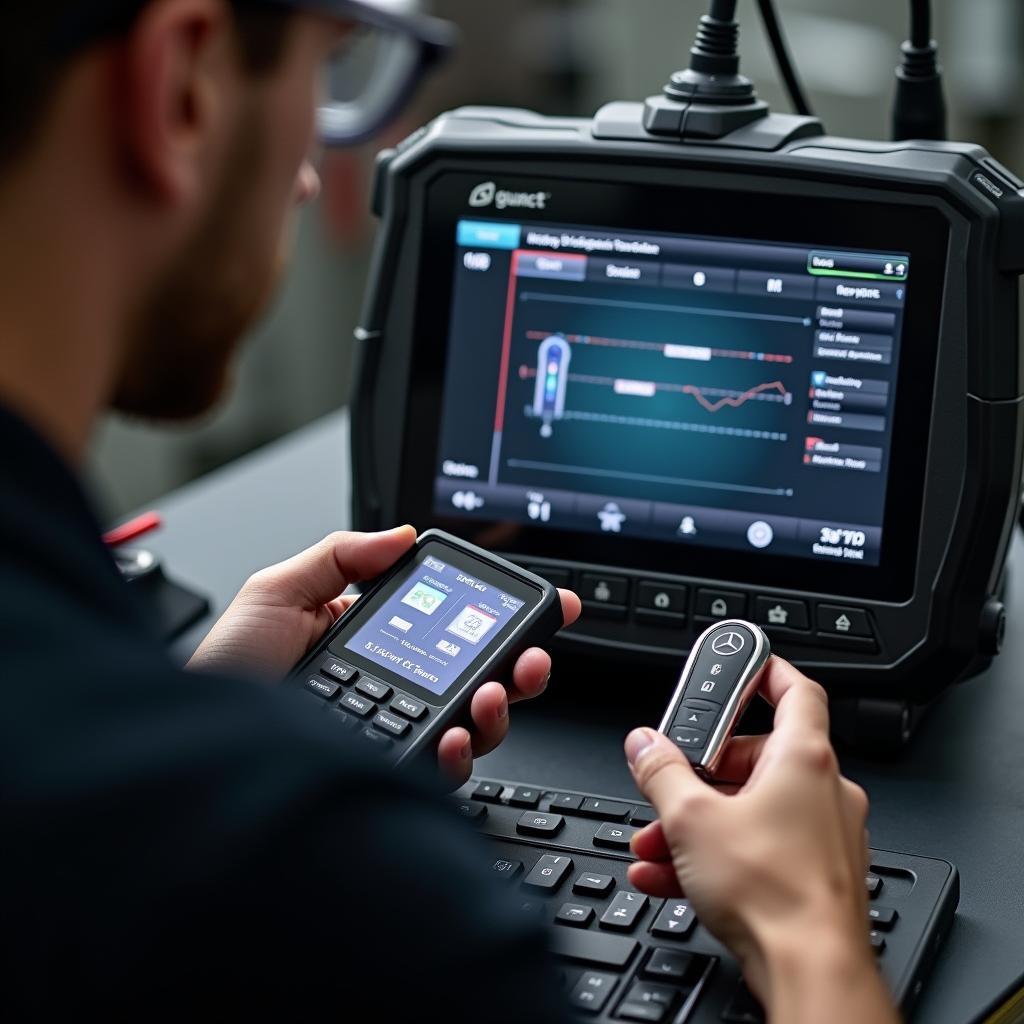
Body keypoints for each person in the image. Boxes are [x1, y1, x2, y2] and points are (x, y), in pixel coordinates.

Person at [0, 1, 895, 1020]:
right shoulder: (331, 881)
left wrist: (184, 727)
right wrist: (808, 927)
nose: (306, 177)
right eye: (327, 74)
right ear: (180, 86)